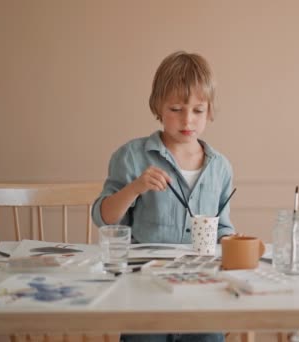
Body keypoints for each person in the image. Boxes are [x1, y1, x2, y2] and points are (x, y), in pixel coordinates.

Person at [92, 51, 234, 342]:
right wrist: (135, 188)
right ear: (158, 106)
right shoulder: (131, 156)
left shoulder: (220, 167)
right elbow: (103, 218)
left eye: (197, 110)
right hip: (145, 290)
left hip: (202, 291)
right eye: (176, 108)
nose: (187, 119)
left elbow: (223, 229)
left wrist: (232, 242)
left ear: (210, 111)